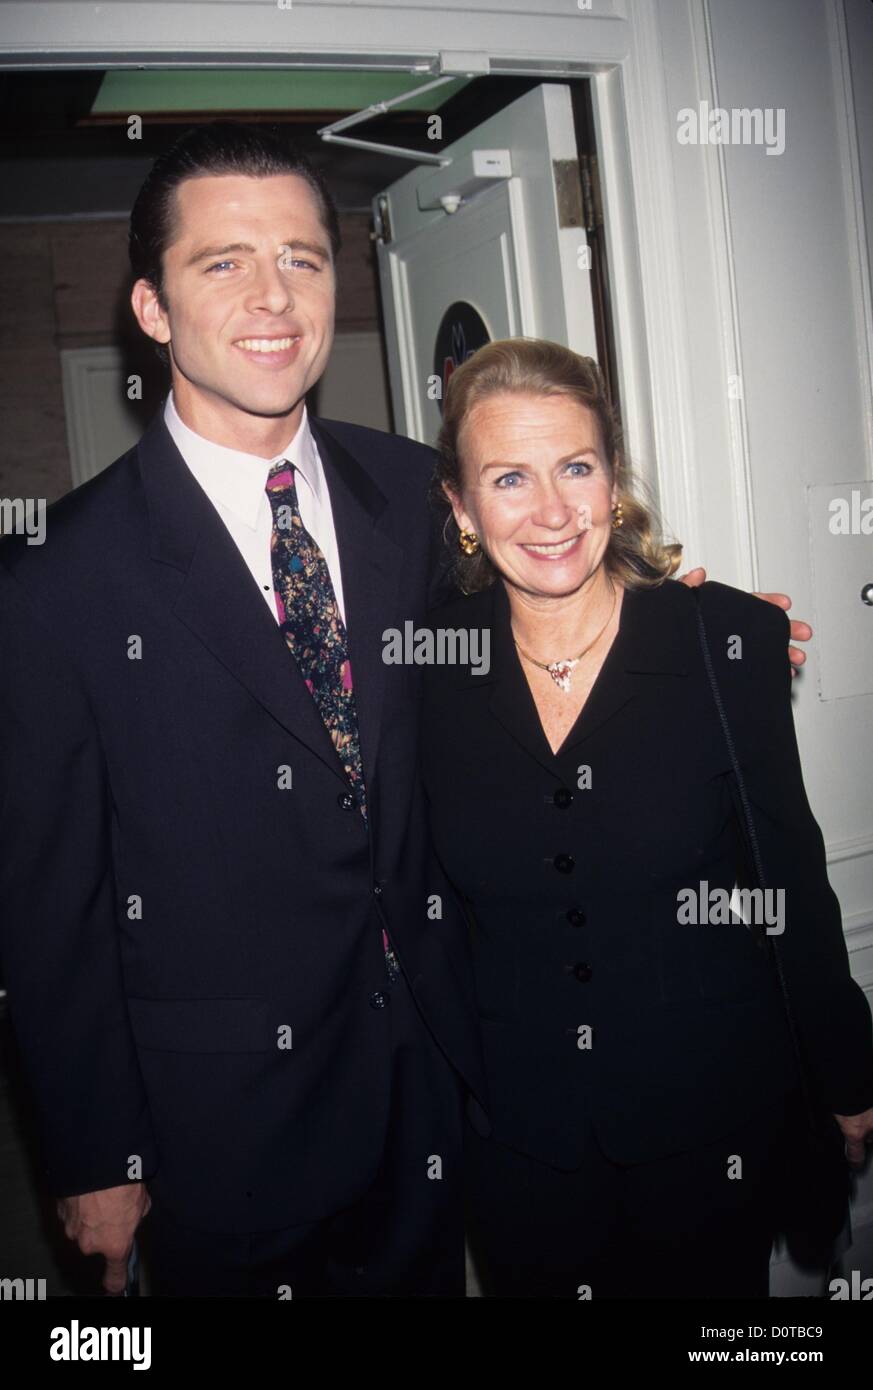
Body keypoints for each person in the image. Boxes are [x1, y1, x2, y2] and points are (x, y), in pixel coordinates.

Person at [0, 122, 809, 1300]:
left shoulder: (410, 498)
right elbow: (48, 909)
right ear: (152, 307)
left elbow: (538, 585)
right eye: (224, 261)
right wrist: (94, 1153)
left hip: (442, 1082)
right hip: (219, 1129)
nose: (274, 295)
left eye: (304, 258)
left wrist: (683, 614)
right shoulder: (55, 580)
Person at [421, 337, 873, 1299]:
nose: (551, 512)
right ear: (459, 510)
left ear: (612, 481)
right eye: (507, 479)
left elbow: (786, 876)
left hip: (708, 1126)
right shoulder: (424, 667)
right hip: (520, 1142)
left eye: (575, 468)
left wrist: (846, 1069)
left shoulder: (725, 640)